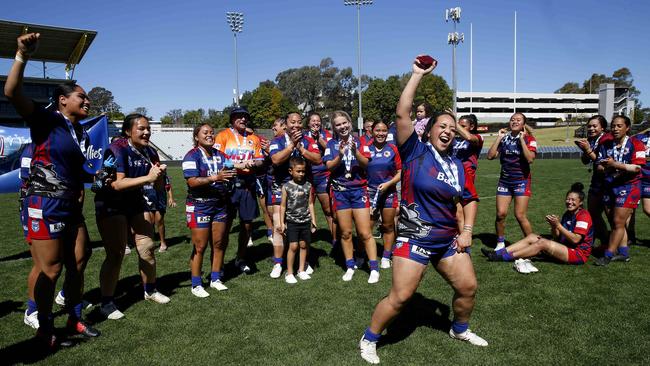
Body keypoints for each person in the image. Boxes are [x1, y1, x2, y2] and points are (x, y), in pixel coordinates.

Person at [359, 57, 486, 365]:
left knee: (468, 288)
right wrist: (417, 75)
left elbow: (469, 198)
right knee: (401, 297)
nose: (447, 131)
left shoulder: (457, 165)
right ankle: (370, 338)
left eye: (452, 129)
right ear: (429, 131)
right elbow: (403, 113)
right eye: (442, 126)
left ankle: (459, 329)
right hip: (414, 238)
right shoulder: (414, 151)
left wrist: (467, 231)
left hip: (447, 240)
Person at [5, 32, 100, 346]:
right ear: (63, 100)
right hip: (45, 204)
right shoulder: (47, 120)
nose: (87, 101)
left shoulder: (78, 130)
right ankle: (45, 329)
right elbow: (12, 91)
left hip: (70, 204)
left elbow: (78, 168)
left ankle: (74, 319)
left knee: (81, 256)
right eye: (81, 97)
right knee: (51, 267)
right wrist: (22, 55)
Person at [96, 114, 171, 321]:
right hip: (111, 203)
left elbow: (156, 185)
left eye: (148, 128)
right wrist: (148, 177)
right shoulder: (116, 149)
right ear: (128, 131)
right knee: (116, 253)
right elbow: (116, 184)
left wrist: (159, 176)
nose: (146, 132)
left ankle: (150, 289)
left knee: (147, 247)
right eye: (141, 129)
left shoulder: (150, 151)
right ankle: (107, 302)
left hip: (136, 201)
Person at [481, 183, 593, 272]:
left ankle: (504, 257)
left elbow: (576, 239)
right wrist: (555, 227)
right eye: (568, 199)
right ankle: (497, 253)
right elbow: (558, 238)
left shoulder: (584, 216)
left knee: (542, 242)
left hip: (578, 254)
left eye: (573, 200)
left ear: (581, 202)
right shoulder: (568, 214)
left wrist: (558, 225)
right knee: (532, 237)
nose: (569, 202)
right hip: (565, 248)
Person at [323, 111, 380, 283]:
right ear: (334, 127)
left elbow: (366, 164)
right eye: (338, 125)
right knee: (346, 233)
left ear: (350, 123)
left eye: (344, 123)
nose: (342, 127)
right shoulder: (331, 144)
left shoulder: (361, 141)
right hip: (340, 192)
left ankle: (374, 268)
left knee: (364, 232)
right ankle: (349, 266)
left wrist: (355, 152)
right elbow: (329, 167)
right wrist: (340, 155)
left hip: (359, 191)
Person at [183, 124, 237, 297]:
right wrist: (216, 177)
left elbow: (229, 172)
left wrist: (230, 174)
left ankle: (215, 278)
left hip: (220, 204)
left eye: (212, 132)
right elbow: (191, 181)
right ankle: (196, 283)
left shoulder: (220, 155)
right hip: (199, 205)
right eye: (205, 133)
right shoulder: (191, 155)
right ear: (196, 137)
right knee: (200, 246)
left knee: (219, 243)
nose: (210, 135)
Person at [269, 112, 321, 278]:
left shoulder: (308, 140)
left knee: (302, 226)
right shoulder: (277, 141)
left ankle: (303, 263)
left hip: (301, 190)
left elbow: (318, 159)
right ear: (286, 125)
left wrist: (301, 148)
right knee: (279, 225)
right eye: (293, 122)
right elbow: (276, 160)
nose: (296, 125)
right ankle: (278, 263)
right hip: (280, 188)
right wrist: (292, 145)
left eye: (299, 122)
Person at [214, 107, 264, 273]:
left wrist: (254, 163)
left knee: (248, 225)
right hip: (229, 183)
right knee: (225, 226)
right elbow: (217, 160)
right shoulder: (223, 136)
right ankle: (219, 264)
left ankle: (240, 258)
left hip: (248, 184)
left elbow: (260, 160)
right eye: (238, 117)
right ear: (232, 119)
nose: (242, 119)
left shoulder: (253, 138)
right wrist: (238, 165)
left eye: (245, 117)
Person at [591, 116, 645, 265]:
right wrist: (603, 166)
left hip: (629, 186)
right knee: (615, 222)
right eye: (613, 126)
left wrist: (614, 164)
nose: (615, 129)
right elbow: (599, 166)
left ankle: (608, 255)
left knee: (617, 221)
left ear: (627, 128)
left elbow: (637, 167)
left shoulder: (636, 143)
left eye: (619, 126)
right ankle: (624, 253)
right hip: (610, 185)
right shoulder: (606, 144)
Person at [487, 113, 537, 250]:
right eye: (512, 119)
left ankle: (533, 244)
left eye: (518, 120)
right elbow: (490, 156)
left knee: (520, 215)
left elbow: (530, 159)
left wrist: (521, 140)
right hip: (505, 181)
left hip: (521, 181)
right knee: (500, 214)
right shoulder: (505, 138)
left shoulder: (530, 139)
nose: (514, 121)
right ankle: (500, 242)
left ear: (523, 124)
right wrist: (499, 138)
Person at [366, 121, 401, 269]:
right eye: (378, 130)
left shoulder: (393, 149)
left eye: (384, 130)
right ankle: (363, 255)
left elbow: (401, 172)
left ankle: (386, 256)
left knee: (388, 225)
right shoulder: (365, 148)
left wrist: (388, 184)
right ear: (372, 131)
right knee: (367, 228)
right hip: (369, 192)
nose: (381, 133)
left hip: (388, 192)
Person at [574, 115, 613, 246]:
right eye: (589, 126)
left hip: (609, 181)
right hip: (596, 181)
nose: (591, 128)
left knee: (611, 216)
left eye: (594, 126)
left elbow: (602, 162)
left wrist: (588, 150)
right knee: (593, 212)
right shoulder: (591, 139)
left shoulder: (607, 139)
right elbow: (585, 161)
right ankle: (604, 238)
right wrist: (584, 150)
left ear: (602, 127)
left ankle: (615, 243)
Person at [278, 157, 317, 284]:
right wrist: (282, 222)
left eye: (303, 171)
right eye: (298, 171)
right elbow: (283, 206)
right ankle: (289, 273)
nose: (301, 174)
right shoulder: (286, 187)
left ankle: (301, 270)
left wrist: (313, 221)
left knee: (304, 245)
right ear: (291, 171)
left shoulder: (308, 186)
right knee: (293, 246)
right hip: (292, 221)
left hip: (305, 221)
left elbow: (311, 204)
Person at [304, 112, 337, 247]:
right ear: (308, 123)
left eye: (318, 121)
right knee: (305, 210)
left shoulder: (326, 135)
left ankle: (334, 239)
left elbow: (331, 149)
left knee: (328, 210)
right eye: (313, 121)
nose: (316, 123)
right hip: (307, 176)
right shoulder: (303, 136)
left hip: (323, 175)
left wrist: (319, 139)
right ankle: (306, 240)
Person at [452, 114, 484, 232]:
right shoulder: (454, 139)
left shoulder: (477, 137)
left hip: (466, 177)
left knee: (462, 212)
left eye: (463, 126)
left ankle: (464, 238)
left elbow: (469, 138)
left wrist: (454, 122)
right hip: (451, 176)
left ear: (471, 126)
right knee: (455, 212)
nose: (458, 127)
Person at [633, 128, 650, 218]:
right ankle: (629, 232)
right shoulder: (640, 137)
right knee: (630, 211)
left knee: (647, 209)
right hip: (637, 176)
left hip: (648, 178)